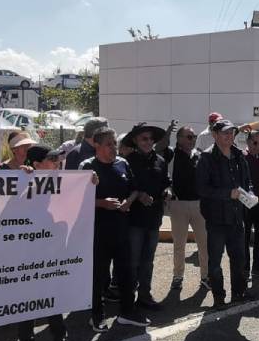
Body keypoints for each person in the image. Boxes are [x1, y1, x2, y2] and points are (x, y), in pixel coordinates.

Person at [5, 143, 76, 341]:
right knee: (27, 301)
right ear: (36, 164)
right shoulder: (23, 181)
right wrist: (23, 176)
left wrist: (90, 181)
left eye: (57, 160)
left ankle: (59, 337)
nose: (56, 163)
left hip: (49, 250)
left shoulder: (59, 181)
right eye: (51, 160)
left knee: (51, 296)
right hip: (27, 252)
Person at [79, 128, 148, 330]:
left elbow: (134, 188)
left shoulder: (123, 163)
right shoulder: (87, 167)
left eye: (115, 143)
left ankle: (127, 312)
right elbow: (76, 200)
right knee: (99, 276)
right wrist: (101, 203)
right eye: (109, 144)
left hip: (121, 229)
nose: (113, 148)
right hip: (98, 231)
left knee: (126, 272)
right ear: (97, 146)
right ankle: (97, 315)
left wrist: (129, 201)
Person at [196, 119, 252, 308]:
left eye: (231, 133)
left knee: (239, 259)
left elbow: (246, 181)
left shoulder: (238, 155)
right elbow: (202, 189)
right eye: (225, 133)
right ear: (214, 135)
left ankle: (238, 293)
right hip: (216, 218)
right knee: (215, 261)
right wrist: (228, 194)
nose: (229, 136)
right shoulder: (206, 157)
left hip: (237, 217)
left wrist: (250, 193)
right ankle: (219, 297)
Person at [123, 123, 170, 311]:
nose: (148, 142)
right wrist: (139, 195)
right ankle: (128, 298)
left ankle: (144, 295)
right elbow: (123, 187)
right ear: (135, 140)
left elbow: (166, 183)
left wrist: (167, 192)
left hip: (154, 218)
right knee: (133, 260)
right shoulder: (127, 161)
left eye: (150, 139)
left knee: (148, 260)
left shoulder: (160, 160)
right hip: (134, 220)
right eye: (144, 138)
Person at [164, 125, 208, 292]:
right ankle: (178, 276)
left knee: (204, 243)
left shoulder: (199, 155)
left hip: (198, 205)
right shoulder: (171, 154)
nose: (193, 140)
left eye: (194, 136)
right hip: (179, 205)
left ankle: (205, 276)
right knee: (179, 244)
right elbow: (160, 148)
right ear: (179, 139)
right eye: (189, 137)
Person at [243, 130, 259, 284]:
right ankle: (245, 268)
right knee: (244, 238)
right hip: (245, 204)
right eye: (254, 142)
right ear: (247, 142)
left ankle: (257, 268)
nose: (257, 146)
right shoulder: (241, 156)